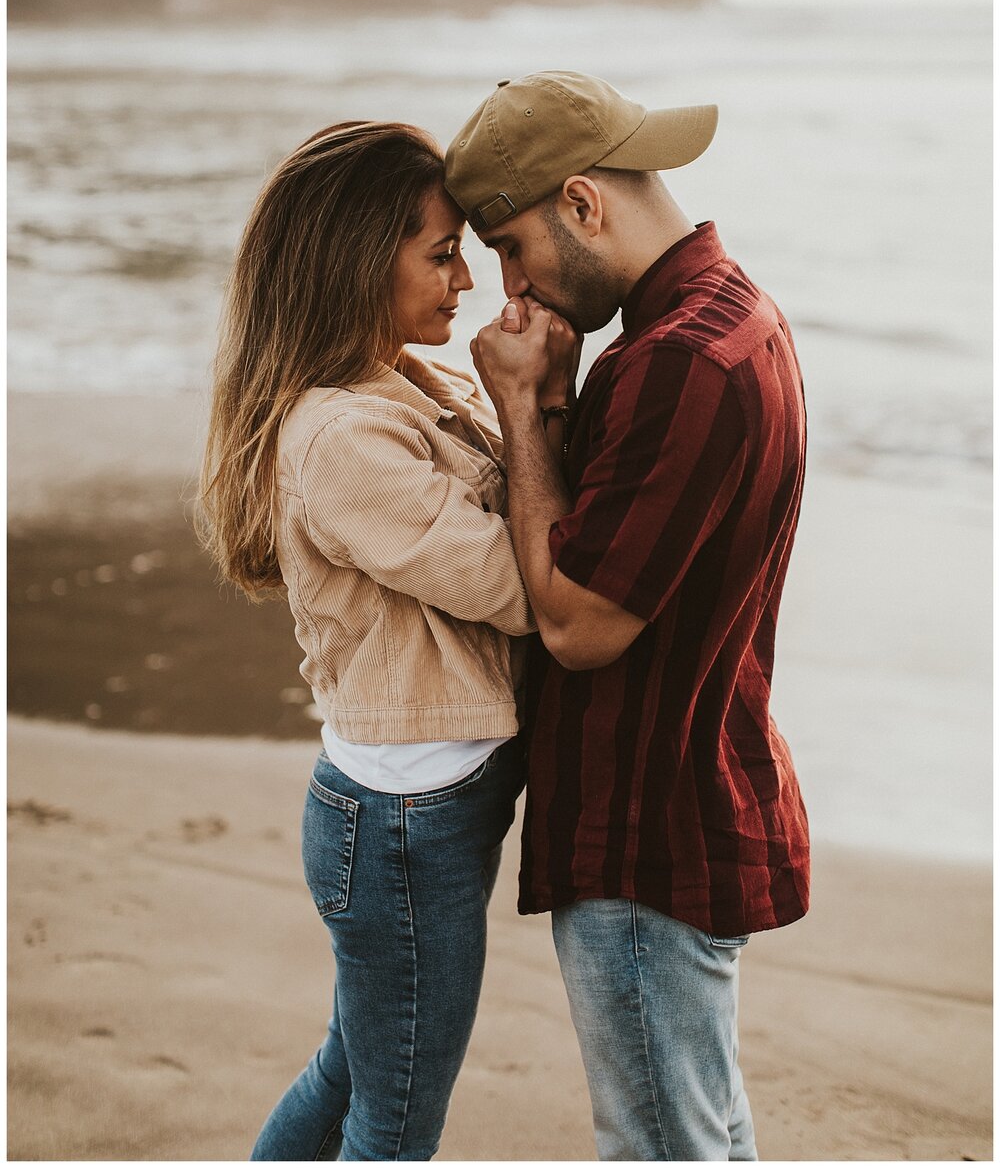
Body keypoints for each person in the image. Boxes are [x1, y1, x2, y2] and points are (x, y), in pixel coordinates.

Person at [444, 71, 811, 1162]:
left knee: (661, 1148)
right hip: (686, 799)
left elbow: (577, 624)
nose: (507, 284)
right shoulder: (725, 318)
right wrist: (554, 404)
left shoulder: (676, 363)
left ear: (582, 202)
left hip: (648, 834)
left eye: (510, 245)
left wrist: (517, 405)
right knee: (702, 1136)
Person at [198, 119, 576, 1161]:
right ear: (361, 258)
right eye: (442, 251)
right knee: (394, 1116)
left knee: (355, 1070)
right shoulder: (343, 438)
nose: (466, 278)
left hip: (413, 811)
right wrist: (523, 397)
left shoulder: (409, 381)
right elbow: (519, 586)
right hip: (405, 826)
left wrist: (533, 392)